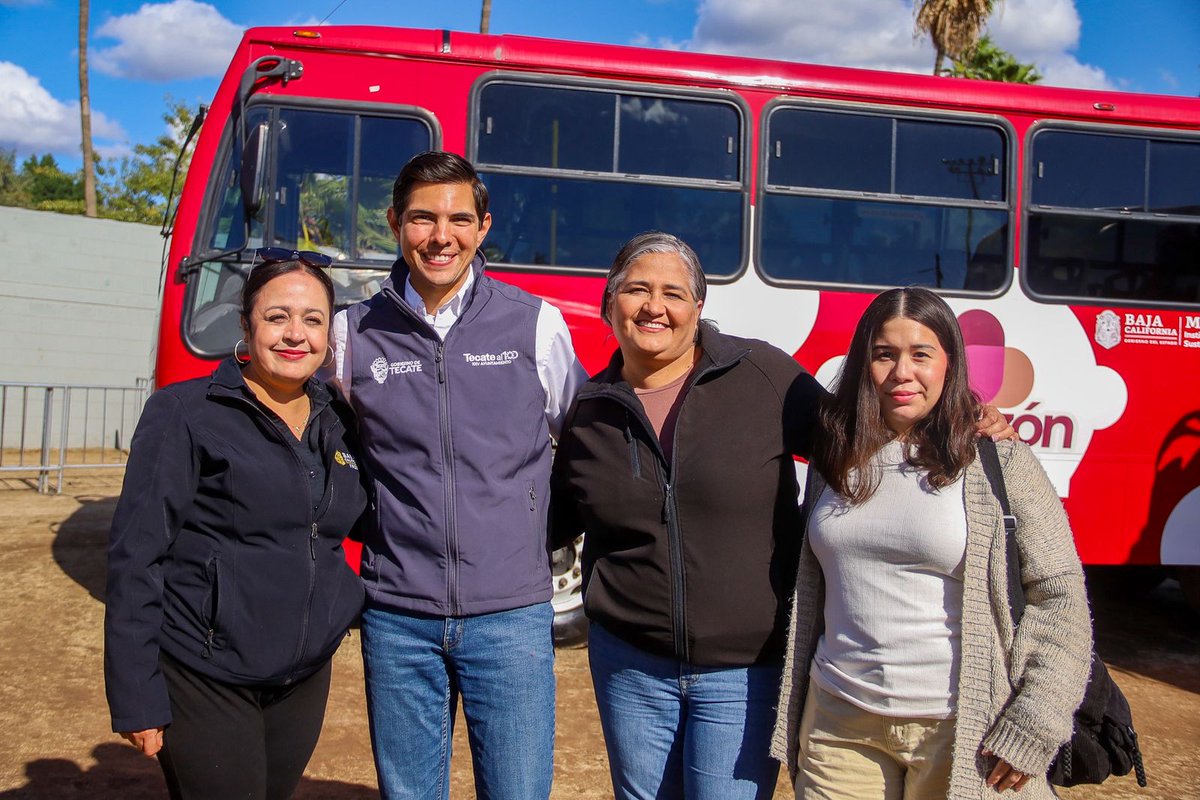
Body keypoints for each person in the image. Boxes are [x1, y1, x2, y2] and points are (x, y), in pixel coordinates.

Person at [549, 233, 1013, 799]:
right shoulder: (590, 410)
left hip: (744, 672)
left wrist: (962, 414)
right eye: (636, 290)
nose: (654, 307)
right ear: (608, 303)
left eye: (673, 292)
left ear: (698, 308)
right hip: (630, 669)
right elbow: (554, 520)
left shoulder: (760, 374)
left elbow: (860, 437)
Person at [329, 151, 586, 799]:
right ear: (394, 223)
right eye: (422, 218)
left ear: (483, 227)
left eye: (458, 219)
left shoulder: (535, 325)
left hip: (512, 614)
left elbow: (579, 444)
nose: (440, 236)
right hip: (396, 614)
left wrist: (540, 537)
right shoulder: (350, 335)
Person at [770, 287, 1093, 799]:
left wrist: (1034, 723)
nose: (903, 372)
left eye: (921, 354)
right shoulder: (832, 457)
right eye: (885, 354)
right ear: (864, 363)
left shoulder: (998, 462)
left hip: (963, 733)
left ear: (949, 364)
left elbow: (1059, 596)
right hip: (838, 724)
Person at [104, 248, 370, 800]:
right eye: (277, 317)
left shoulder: (338, 418)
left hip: (303, 675)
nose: (295, 334)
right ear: (246, 326)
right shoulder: (186, 412)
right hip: (206, 672)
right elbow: (136, 554)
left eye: (312, 320)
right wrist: (135, 693)